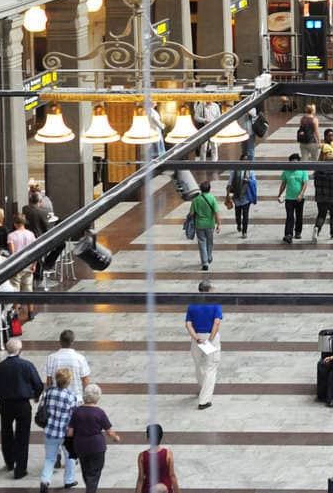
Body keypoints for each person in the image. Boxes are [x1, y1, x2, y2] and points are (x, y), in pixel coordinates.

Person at [0, 337, 43, 478]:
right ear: (19, 350)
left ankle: (10, 462)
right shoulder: (27, 365)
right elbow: (38, 384)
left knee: (6, 433)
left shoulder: (0, 367)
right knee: (22, 437)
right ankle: (20, 469)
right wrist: (36, 395)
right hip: (23, 405)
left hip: (5, 405)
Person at [68, 383, 121, 493]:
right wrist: (116, 438)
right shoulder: (99, 413)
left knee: (86, 472)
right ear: (97, 397)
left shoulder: (76, 411)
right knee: (94, 474)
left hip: (81, 446)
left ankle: (90, 489)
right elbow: (109, 431)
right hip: (96, 447)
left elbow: (70, 432)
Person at [37, 366, 81, 492]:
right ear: (68, 381)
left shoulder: (49, 391)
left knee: (50, 458)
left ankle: (45, 481)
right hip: (65, 433)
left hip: (50, 431)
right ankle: (69, 480)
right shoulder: (71, 396)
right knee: (70, 457)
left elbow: (42, 406)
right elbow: (74, 416)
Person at [184, 279, 221, 409]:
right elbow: (216, 323)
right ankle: (204, 400)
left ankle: (202, 387)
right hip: (209, 337)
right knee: (211, 367)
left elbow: (188, 324)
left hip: (197, 338)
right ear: (209, 290)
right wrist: (210, 340)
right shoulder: (215, 304)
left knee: (199, 364)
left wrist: (196, 338)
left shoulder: (192, 304)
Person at [136, 424, 178, 493]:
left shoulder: (142, 456)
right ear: (161, 437)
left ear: (148, 438)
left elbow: (141, 479)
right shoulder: (168, 454)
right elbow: (172, 476)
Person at [188, 180, 219, 271]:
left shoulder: (196, 200)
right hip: (210, 224)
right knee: (210, 242)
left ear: (201, 189)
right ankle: (209, 257)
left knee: (202, 243)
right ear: (209, 189)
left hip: (199, 225)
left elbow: (191, 213)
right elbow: (217, 213)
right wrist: (219, 225)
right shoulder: (212, 199)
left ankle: (205, 262)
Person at [313, 146, 333, 240]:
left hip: (320, 197)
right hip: (332, 198)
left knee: (321, 214)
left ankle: (317, 228)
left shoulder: (317, 172)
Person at [226, 159, 257, 239]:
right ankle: (239, 224)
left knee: (246, 215)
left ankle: (244, 231)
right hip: (236, 196)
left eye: (247, 161)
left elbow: (254, 182)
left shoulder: (250, 171)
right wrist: (227, 195)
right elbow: (230, 182)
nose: (245, 162)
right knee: (238, 213)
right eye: (243, 160)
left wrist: (249, 180)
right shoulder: (234, 170)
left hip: (246, 196)